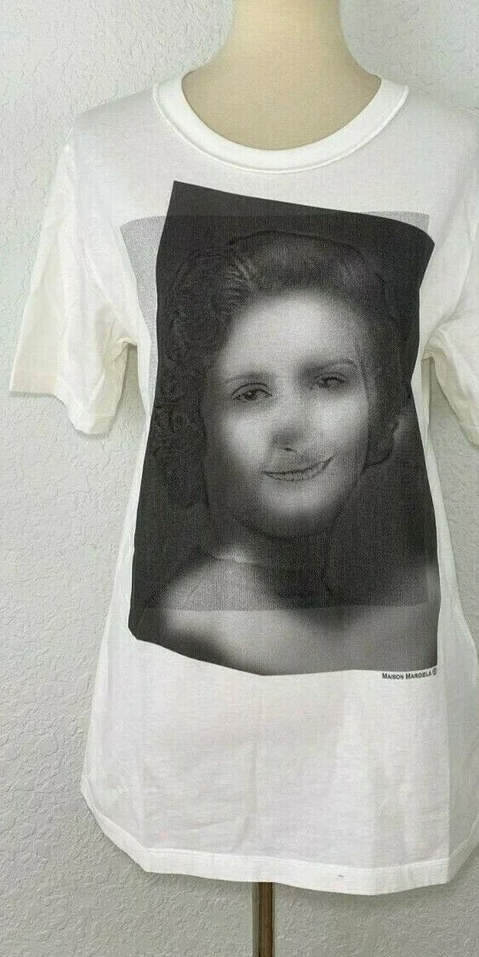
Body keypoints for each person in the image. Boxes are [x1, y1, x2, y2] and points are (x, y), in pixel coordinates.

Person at [133, 226, 438, 674]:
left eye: (329, 381)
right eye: (251, 394)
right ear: (195, 424)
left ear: (379, 402)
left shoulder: (362, 612)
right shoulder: (189, 630)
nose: (293, 423)